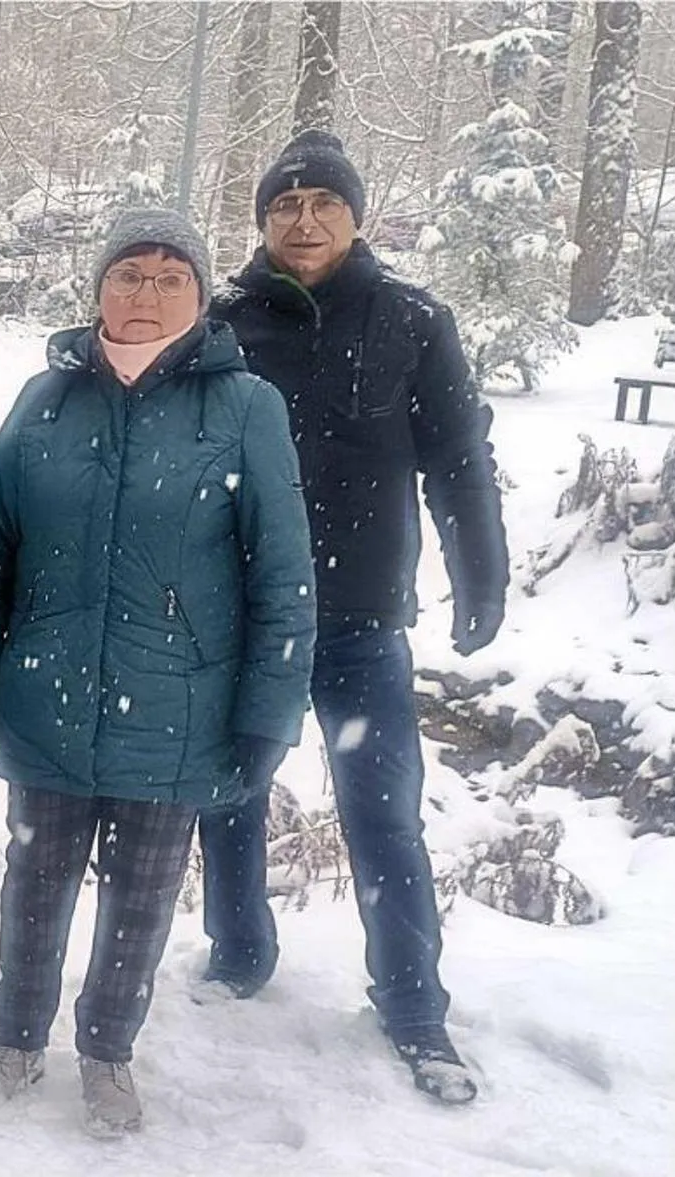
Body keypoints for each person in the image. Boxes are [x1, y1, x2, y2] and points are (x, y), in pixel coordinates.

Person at [0, 208, 316, 1139]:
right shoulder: (46, 397)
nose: (145, 293)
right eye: (128, 273)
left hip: (180, 700)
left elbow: (282, 569)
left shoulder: (245, 406)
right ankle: (15, 1038)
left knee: (142, 898)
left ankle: (107, 1051)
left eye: (169, 277)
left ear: (198, 295)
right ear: (98, 287)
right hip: (47, 689)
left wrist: (269, 709)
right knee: (33, 886)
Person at [198, 130, 509, 1106]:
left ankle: (413, 1006)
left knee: (381, 814)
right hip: (240, 608)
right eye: (283, 206)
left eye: (321, 203)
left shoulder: (412, 320)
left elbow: (458, 457)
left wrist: (479, 573)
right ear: (260, 220)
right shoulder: (221, 321)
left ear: (355, 214)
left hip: (360, 619)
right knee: (229, 793)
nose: (301, 221)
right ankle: (238, 956)